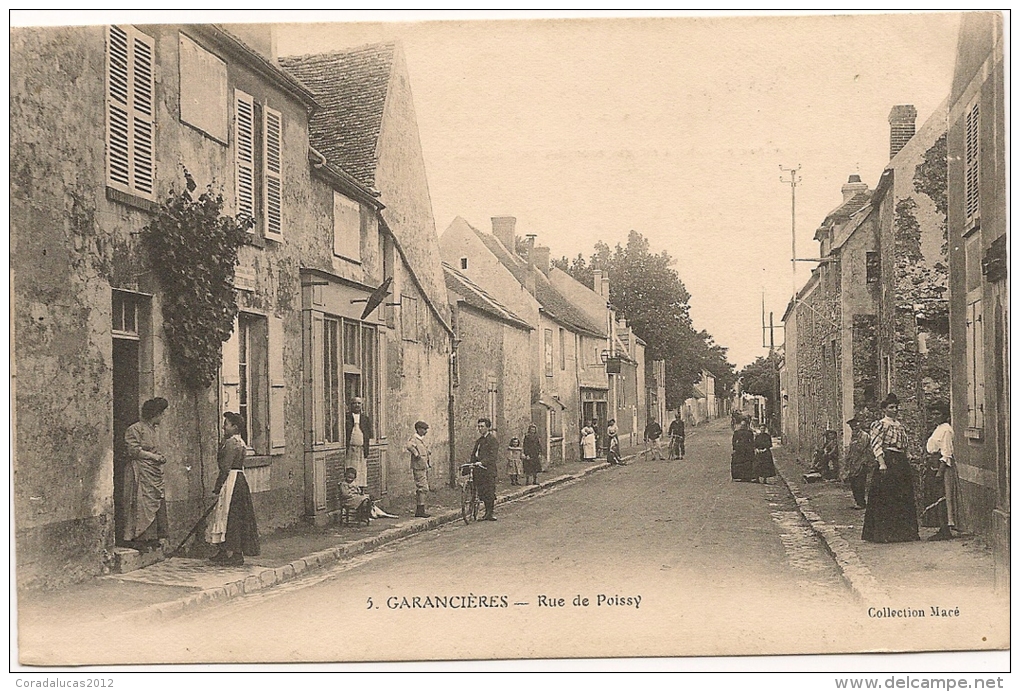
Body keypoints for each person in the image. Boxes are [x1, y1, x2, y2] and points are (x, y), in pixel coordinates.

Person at [862, 393, 919, 544]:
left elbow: (905, 445)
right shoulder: (880, 425)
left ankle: (903, 533)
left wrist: (908, 456)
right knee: (886, 497)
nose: (895, 410)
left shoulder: (899, 426)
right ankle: (884, 533)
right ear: (884, 409)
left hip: (900, 463)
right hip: (888, 461)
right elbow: (876, 444)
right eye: (891, 407)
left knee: (902, 496)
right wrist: (881, 463)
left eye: (896, 407)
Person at [207, 412, 260, 566]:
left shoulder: (231, 443)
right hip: (238, 479)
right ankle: (224, 551)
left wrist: (218, 485)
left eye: (227, 424)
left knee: (231, 515)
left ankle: (235, 554)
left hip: (232, 480)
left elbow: (225, 467)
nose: (224, 427)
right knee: (229, 515)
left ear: (235, 427)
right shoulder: (240, 442)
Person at [122, 397, 170, 551]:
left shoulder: (153, 430)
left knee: (154, 502)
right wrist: (154, 457)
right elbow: (133, 451)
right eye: (161, 414)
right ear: (155, 414)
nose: (162, 417)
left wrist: (160, 457)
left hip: (153, 472)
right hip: (140, 472)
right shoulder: (135, 429)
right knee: (141, 503)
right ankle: (139, 538)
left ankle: (151, 537)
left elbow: (155, 448)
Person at [925, 402, 959, 541]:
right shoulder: (938, 428)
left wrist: (940, 472)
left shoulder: (946, 430)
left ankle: (945, 529)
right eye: (933, 413)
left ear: (945, 415)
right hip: (935, 464)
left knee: (944, 496)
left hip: (943, 466)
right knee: (938, 497)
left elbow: (946, 453)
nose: (934, 416)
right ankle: (941, 527)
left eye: (938, 414)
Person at [842, 416, 874, 510]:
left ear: (859, 426)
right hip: (854, 464)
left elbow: (860, 450)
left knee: (860, 484)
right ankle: (858, 501)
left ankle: (861, 503)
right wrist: (848, 462)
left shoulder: (864, 436)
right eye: (852, 427)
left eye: (855, 426)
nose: (854, 428)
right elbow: (851, 451)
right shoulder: (854, 436)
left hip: (862, 463)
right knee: (853, 483)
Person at [471, 418, 499, 521]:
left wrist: (482, 462)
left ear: (488, 427)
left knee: (489, 491)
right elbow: (474, 454)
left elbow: (493, 456)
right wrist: (471, 463)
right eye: (478, 426)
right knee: (481, 491)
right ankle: (485, 513)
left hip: (488, 469)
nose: (480, 428)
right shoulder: (479, 441)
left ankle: (489, 513)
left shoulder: (492, 440)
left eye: (482, 426)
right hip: (479, 470)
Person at [406, 421, 432, 518]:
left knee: (423, 488)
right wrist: (416, 454)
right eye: (424, 429)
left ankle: (420, 509)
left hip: (423, 466)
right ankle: (420, 510)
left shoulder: (421, 439)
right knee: (423, 488)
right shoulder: (414, 438)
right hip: (418, 467)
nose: (425, 431)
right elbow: (409, 446)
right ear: (418, 429)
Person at [345, 396, 373, 483]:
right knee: (350, 468)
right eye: (354, 403)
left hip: (361, 449)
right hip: (350, 449)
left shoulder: (365, 419)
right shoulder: (346, 417)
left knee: (361, 469)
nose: (357, 405)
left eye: (359, 403)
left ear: (362, 405)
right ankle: (350, 488)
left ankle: (360, 489)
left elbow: (369, 434)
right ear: (350, 405)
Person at [730, 417, 755, 481]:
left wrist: (752, 448)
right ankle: (742, 476)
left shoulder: (749, 432)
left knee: (747, 463)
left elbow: (752, 441)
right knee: (741, 463)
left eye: (744, 425)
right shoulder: (737, 432)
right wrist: (735, 447)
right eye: (742, 425)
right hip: (741, 448)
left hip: (745, 448)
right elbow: (734, 441)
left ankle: (747, 476)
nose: (743, 426)